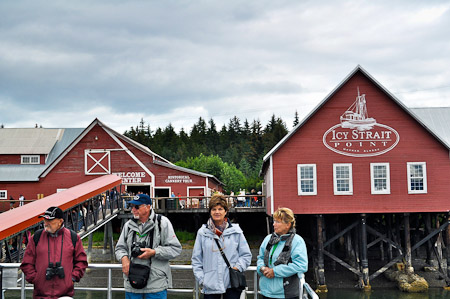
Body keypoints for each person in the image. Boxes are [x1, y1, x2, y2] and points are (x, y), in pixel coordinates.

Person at [115, 194, 182, 299]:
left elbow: (175, 249)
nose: (133, 209)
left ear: (148, 206)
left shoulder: (162, 223)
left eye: (137, 207)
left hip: (156, 285)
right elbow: (119, 248)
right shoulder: (128, 225)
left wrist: (154, 252)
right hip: (132, 283)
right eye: (131, 206)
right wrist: (124, 259)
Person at [192, 194, 252, 299]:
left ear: (225, 211)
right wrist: (202, 279)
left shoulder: (236, 231)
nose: (217, 212)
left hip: (231, 283)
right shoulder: (202, 232)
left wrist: (238, 267)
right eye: (214, 209)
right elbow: (196, 259)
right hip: (210, 284)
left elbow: (246, 255)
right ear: (210, 211)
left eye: (220, 209)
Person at [20, 206, 88, 299]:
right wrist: (36, 279)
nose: (46, 224)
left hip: (65, 295)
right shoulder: (36, 237)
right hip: (41, 295)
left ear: (60, 222)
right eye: (45, 221)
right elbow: (27, 263)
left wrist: (72, 278)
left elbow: (81, 261)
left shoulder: (73, 237)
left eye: (50, 221)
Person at [257, 207, 308, 299]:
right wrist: (262, 268)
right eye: (274, 221)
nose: (273, 224)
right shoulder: (268, 239)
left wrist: (275, 272)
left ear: (288, 225)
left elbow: (301, 265)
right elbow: (260, 257)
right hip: (266, 291)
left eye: (277, 222)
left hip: (286, 293)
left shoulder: (297, 241)